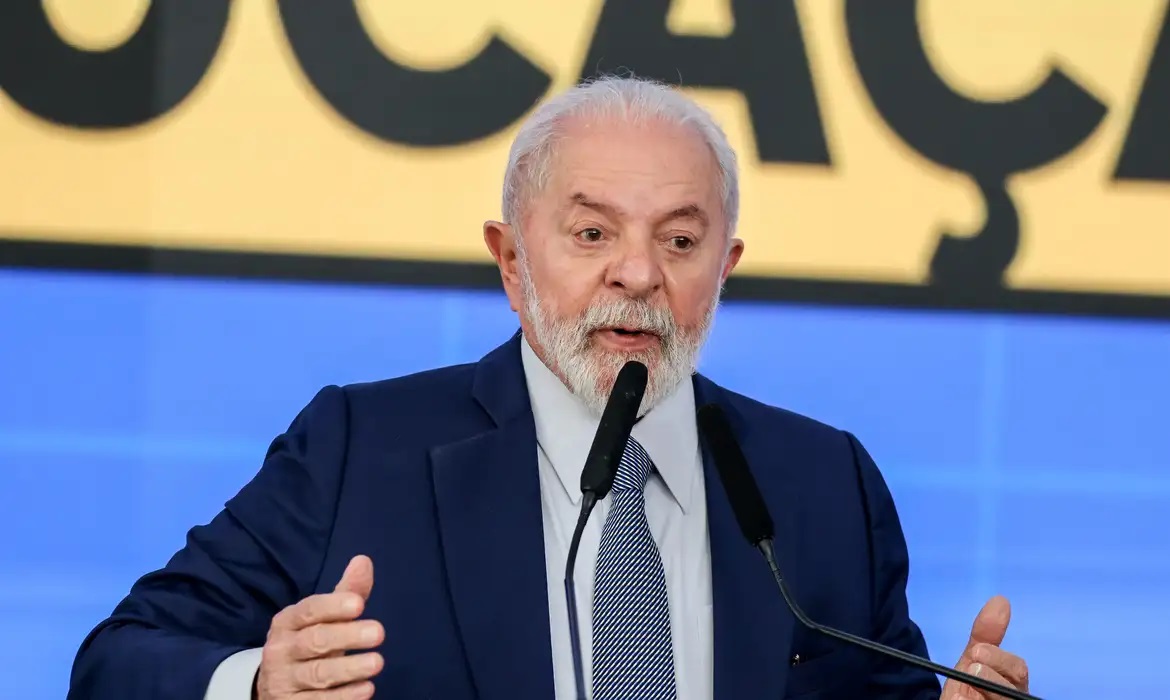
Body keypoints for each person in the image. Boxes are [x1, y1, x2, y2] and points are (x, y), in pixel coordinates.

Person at [67, 75, 1032, 700]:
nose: (638, 274)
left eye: (680, 240)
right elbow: (116, 662)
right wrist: (257, 683)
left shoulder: (825, 483)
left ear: (724, 269)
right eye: (591, 233)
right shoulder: (360, 449)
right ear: (510, 260)